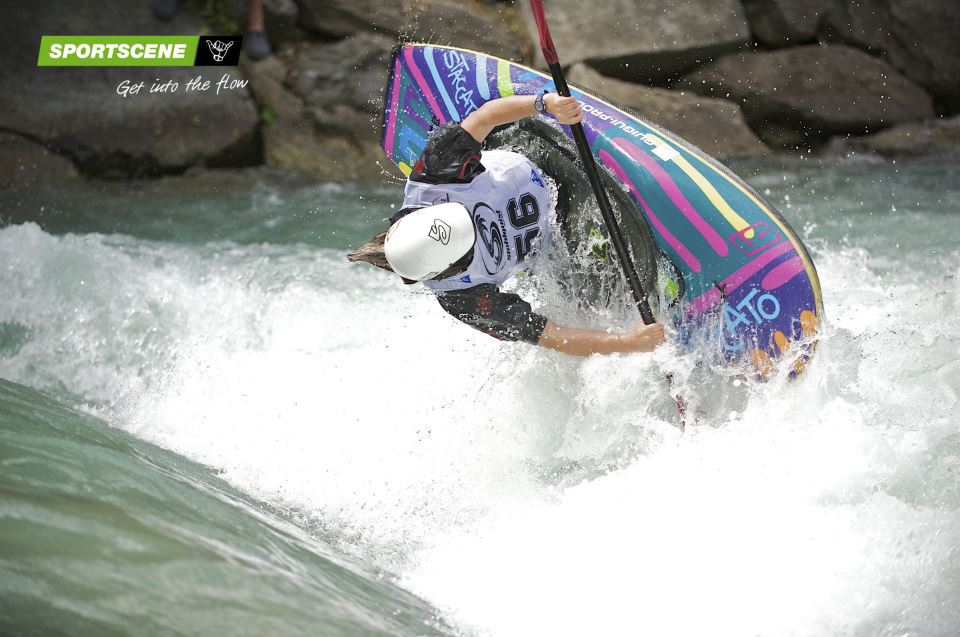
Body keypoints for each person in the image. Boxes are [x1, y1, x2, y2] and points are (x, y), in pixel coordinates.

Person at [348, 93, 666, 356]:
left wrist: (545, 104)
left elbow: (485, 118)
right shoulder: (464, 299)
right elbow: (551, 336)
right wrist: (629, 343)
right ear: (452, 265)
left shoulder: (436, 173)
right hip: (552, 238)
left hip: (537, 163)